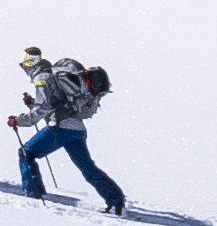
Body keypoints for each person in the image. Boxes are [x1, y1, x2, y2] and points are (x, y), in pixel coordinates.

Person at [10, 47, 128, 213]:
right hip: (77, 130)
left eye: (24, 64)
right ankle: (116, 201)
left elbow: (42, 108)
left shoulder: (41, 78)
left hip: (60, 127)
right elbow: (54, 103)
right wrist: (32, 104)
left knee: (26, 154)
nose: (24, 68)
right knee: (88, 168)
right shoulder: (53, 74)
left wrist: (19, 120)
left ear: (30, 63)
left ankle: (33, 197)